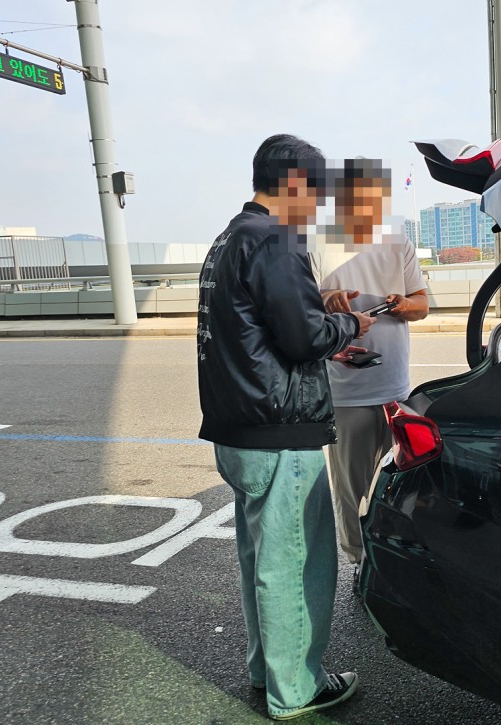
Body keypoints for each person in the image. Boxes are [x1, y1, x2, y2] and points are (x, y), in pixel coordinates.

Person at [196, 134, 376, 720]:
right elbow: (302, 338)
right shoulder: (276, 240)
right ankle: (297, 688)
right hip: (280, 431)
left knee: (261, 561)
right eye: (316, 192)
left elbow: (261, 332)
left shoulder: (229, 238)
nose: (318, 206)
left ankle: (265, 669)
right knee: (297, 563)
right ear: (294, 184)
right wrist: (347, 325)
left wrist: (320, 322)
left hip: (236, 427)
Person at [310, 157, 428, 584]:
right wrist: (330, 299)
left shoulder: (398, 241)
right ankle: (360, 564)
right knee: (350, 488)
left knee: (399, 483)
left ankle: (394, 554)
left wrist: (400, 303)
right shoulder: (319, 244)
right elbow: (302, 311)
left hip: (396, 386)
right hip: (346, 391)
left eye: (376, 197)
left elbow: (422, 305)